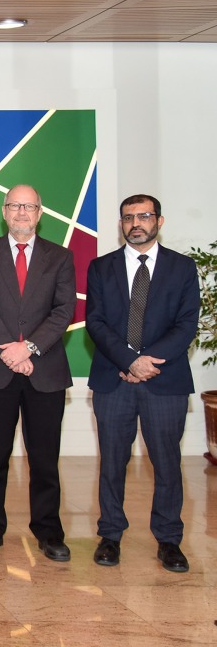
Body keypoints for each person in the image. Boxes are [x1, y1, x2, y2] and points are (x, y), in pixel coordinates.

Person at [85, 194, 199, 573]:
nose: (136, 223)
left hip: (164, 382)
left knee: (167, 463)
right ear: (121, 224)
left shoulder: (183, 268)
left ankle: (169, 540)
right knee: (112, 463)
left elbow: (186, 324)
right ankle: (110, 535)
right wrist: (129, 360)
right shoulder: (101, 268)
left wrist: (146, 363)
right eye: (129, 217)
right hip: (113, 380)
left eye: (144, 216)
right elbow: (96, 323)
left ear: (159, 221)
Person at [0, 185, 75, 562]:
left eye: (29, 207)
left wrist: (28, 348)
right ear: (4, 211)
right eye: (15, 206)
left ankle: (48, 531)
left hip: (45, 371)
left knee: (44, 459)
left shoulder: (60, 257)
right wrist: (10, 351)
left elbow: (64, 311)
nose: (22, 213)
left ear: (40, 213)